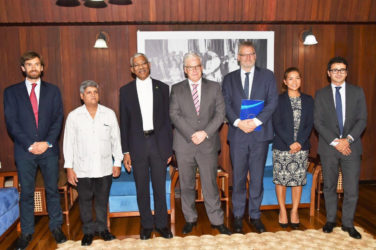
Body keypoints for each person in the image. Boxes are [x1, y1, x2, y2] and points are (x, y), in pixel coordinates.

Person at [3, 51, 66, 249]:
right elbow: (11, 123)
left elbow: (58, 119)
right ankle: (27, 233)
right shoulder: (10, 92)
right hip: (24, 151)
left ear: (42, 67)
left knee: (52, 192)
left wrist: (46, 142)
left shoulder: (53, 91)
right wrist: (30, 145)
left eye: (37, 64)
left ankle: (56, 227)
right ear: (23, 68)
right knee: (27, 193)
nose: (33, 68)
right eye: (29, 64)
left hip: (48, 149)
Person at [170, 52, 231, 235]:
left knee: (210, 183)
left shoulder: (214, 87)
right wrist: (192, 134)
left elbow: (220, 114)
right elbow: (174, 114)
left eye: (197, 66)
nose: (194, 70)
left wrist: (204, 133)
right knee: (187, 184)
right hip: (184, 144)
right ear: (185, 70)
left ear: (202, 68)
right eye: (190, 67)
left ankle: (217, 220)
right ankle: (190, 218)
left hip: (207, 144)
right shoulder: (177, 88)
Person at [222, 41, 278, 233]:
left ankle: (255, 215)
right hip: (238, 135)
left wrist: (255, 122)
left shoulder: (267, 76)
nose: (248, 58)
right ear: (238, 57)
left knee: (257, 178)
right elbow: (226, 104)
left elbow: (272, 102)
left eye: (251, 54)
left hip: (259, 135)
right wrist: (238, 122)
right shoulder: (229, 79)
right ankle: (238, 216)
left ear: (255, 56)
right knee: (238, 178)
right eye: (244, 54)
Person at [119, 53, 173, 240]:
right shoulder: (125, 91)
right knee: (141, 188)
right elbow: (123, 123)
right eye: (136, 65)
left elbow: (167, 121)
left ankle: (162, 224)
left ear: (149, 65)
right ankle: (146, 225)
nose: (141, 67)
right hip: (137, 145)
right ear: (132, 70)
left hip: (158, 145)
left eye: (143, 63)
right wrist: (125, 152)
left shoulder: (163, 88)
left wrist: (169, 149)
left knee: (160, 187)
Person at [63, 80, 123, 246]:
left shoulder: (109, 114)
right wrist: (69, 168)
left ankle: (103, 230)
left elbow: (116, 140)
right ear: (82, 96)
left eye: (95, 92)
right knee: (85, 201)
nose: (93, 95)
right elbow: (68, 143)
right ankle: (88, 231)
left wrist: (117, 162)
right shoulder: (74, 116)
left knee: (102, 200)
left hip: (104, 167)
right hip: (82, 169)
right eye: (88, 92)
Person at [314, 56, 367, 239]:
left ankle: (348, 223)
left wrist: (348, 140)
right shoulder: (320, 94)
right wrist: (337, 142)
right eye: (335, 70)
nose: (338, 73)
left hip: (352, 148)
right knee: (329, 186)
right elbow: (318, 122)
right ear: (329, 73)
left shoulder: (357, 92)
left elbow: (362, 120)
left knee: (351, 189)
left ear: (347, 72)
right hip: (329, 148)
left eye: (342, 69)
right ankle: (330, 220)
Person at [272, 67, 314, 229]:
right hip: (283, 146)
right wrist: (290, 142)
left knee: (298, 181)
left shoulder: (309, 100)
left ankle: (294, 211)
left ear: (301, 80)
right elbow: (277, 124)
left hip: (301, 147)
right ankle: (283, 211)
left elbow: (310, 124)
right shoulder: (278, 100)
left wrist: (299, 143)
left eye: (297, 78)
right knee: (281, 180)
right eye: (290, 78)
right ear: (284, 81)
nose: (294, 81)